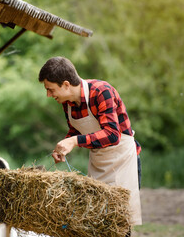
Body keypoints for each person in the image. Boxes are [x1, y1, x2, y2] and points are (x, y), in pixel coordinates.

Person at [38, 56, 142, 227]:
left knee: (119, 225)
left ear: (65, 85)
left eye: (50, 89)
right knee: (96, 222)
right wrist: (64, 145)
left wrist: (74, 142)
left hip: (123, 160)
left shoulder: (102, 91)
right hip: (98, 162)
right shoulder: (67, 102)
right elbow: (76, 130)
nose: (48, 95)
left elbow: (112, 135)